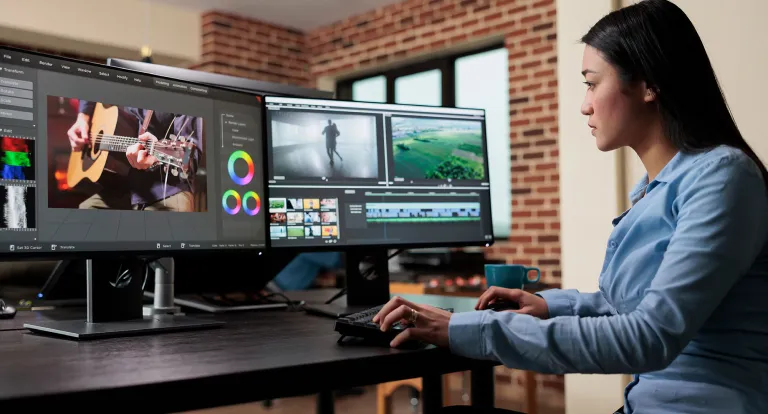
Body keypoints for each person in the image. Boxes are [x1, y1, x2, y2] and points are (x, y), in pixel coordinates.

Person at [373, 1, 768, 413]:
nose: (584, 104)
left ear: (649, 85)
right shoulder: (657, 188)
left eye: (592, 83)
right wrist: (548, 306)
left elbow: (649, 335)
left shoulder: (722, 178)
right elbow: (635, 304)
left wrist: (463, 329)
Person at [67, 101, 203, 212]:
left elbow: (190, 157)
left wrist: (154, 157)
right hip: (122, 187)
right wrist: (83, 117)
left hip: (165, 189)